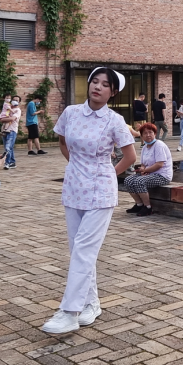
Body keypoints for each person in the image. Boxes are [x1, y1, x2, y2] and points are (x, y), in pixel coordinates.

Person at [41, 67, 136, 335]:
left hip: (100, 191)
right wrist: (77, 166)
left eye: (105, 85)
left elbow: (130, 157)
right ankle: (91, 304)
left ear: (113, 92)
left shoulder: (115, 121)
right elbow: (63, 142)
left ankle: (69, 312)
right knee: (79, 250)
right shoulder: (71, 113)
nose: (97, 87)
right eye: (95, 81)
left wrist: (106, 174)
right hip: (73, 188)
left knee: (84, 248)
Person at [124, 123, 173, 217]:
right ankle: (139, 204)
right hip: (150, 173)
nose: (148, 135)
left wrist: (146, 170)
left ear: (155, 133)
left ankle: (148, 207)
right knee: (128, 180)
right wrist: (143, 169)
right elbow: (143, 164)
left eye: (150, 132)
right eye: (145, 133)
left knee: (139, 181)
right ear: (142, 136)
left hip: (162, 175)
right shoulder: (145, 147)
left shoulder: (159, 145)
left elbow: (159, 164)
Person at [0, 95, 21, 169]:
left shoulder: (18, 110)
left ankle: (7, 163)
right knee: (8, 147)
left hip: (12, 130)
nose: (14, 101)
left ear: (19, 102)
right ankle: (12, 162)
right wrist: (3, 119)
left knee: (8, 147)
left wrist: (3, 119)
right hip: (5, 130)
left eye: (17, 100)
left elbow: (12, 119)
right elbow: (0, 117)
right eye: (13, 99)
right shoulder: (7, 108)